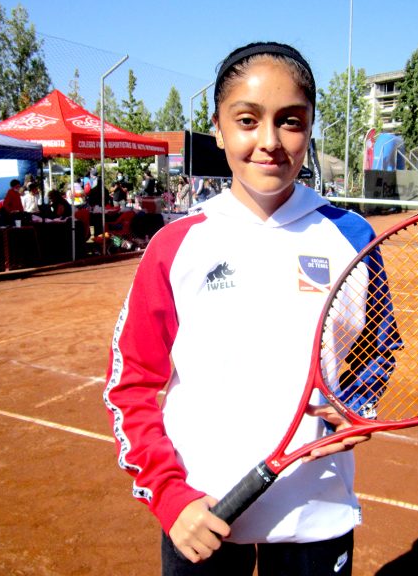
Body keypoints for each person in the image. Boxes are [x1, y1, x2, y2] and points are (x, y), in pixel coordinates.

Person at [104, 41, 389, 576]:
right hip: (201, 514)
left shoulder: (352, 238)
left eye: (290, 121)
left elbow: (378, 347)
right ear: (218, 128)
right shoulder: (177, 244)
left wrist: (359, 404)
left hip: (316, 514)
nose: (269, 142)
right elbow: (131, 383)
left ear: (309, 127)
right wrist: (170, 497)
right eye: (247, 120)